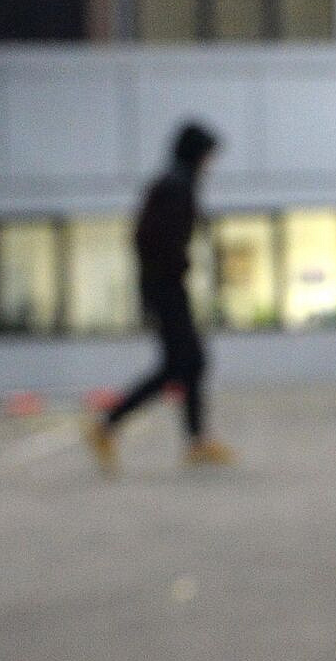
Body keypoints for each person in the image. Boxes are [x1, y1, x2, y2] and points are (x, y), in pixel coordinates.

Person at [86, 121, 234, 475]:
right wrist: (175, 267)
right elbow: (149, 239)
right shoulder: (175, 186)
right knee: (181, 364)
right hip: (165, 288)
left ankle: (195, 441)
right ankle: (107, 425)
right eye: (209, 155)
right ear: (197, 154)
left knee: (189, 362)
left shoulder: (176, 183)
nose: (211, 163)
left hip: (164, 286)